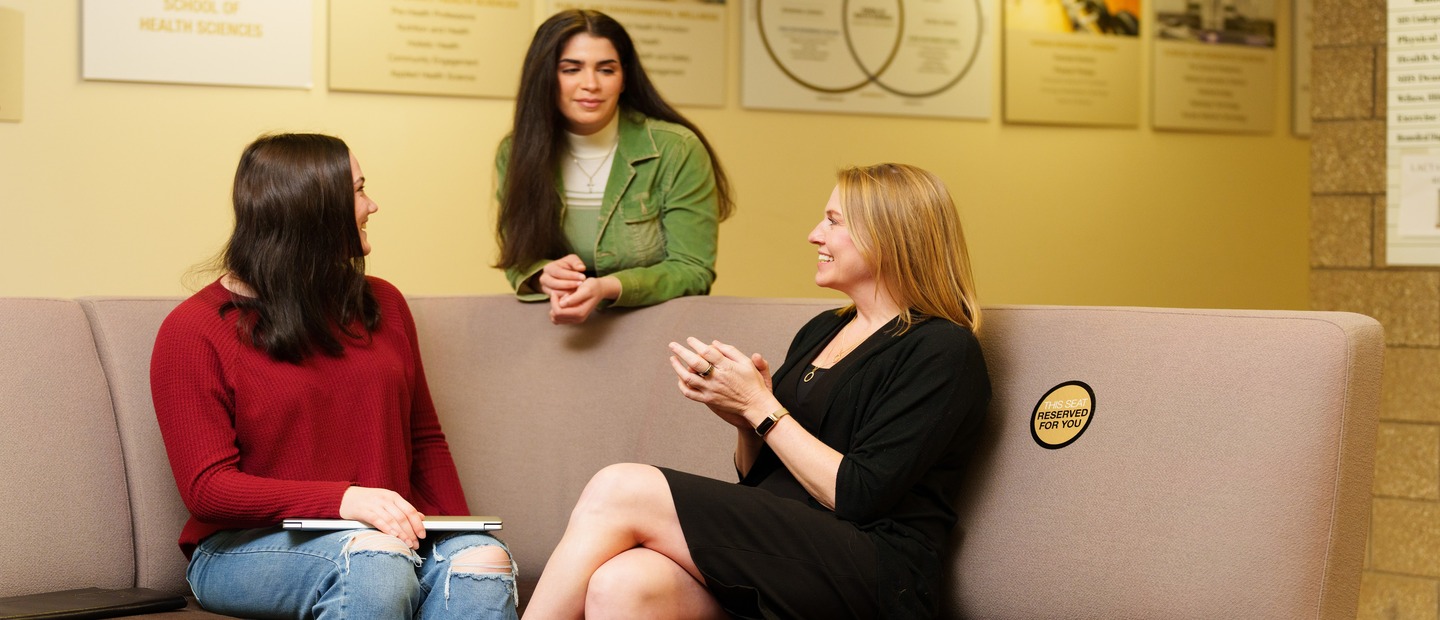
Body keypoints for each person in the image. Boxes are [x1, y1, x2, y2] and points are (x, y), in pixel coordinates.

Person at [522, 163, 991, 619]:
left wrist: (760, 406)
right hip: (787, 551)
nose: (814, 235)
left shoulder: (942, 348)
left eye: (833, 221)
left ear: (887, 236)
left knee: (620, 487)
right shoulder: (823, 330)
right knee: (622, 583)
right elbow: (759, 477)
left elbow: (859, 495)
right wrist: (747, 423)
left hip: (874, 568)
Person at [150, 133, 517, 619]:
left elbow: (424, 439)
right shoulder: (193, 330)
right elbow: (209, 488)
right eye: (359, 191)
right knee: (375, 563)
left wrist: (458, 533)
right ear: (314, 213)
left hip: (387, 542)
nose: (372, 205)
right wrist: (342, 500)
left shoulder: (384, 303)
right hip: (243, 548)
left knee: (482, 561)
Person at [494, 9, 734, 325]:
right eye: (571, 69)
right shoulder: (515, 151)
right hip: (556, 329)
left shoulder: (677, 148)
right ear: (545, 77)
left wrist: (608, 287)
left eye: (606, 70)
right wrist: (542, 276)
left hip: (656, 329)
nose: (590, 84)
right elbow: (517, 258)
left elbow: (693, 270)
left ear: (624, 79)